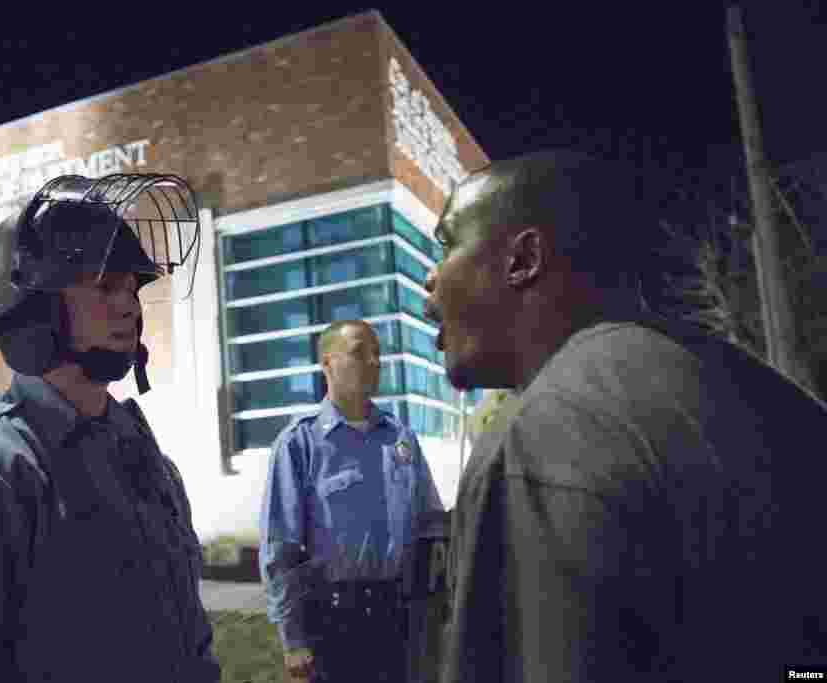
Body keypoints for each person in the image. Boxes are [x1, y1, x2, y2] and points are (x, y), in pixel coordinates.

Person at [425, 149, 827, 683]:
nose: (430, 279)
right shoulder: (772, 394)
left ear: (523, 260)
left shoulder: (548, 430)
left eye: (448, 244)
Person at [0, 174, 220, 682]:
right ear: (34, 307)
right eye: (103, 284)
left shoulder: (146, 463)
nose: (129, 304)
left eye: (132, 286)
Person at [259, 319, 445, 682]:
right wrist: (293, 639)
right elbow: (279, 548)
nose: (374, 362)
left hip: (401, 620)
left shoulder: (400, 439)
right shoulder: (299, 443)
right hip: (332, 626)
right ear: (327, 364)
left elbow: (430, 523)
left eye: (378, 354)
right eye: (360, 353)